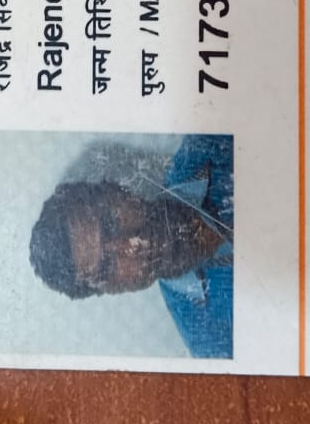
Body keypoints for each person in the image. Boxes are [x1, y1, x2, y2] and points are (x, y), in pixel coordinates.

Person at [28, 134, 233, 358]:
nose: (131, 245)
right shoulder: (213, 342)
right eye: (108, 266)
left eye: (110, 224)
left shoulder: (210, 142)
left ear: (115, 189)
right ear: (111, 290)